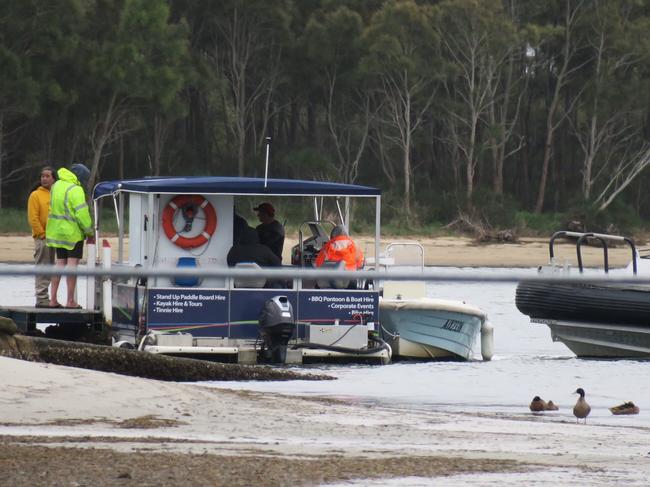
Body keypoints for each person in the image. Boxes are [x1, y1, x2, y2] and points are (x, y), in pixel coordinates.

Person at [46, 163, 94, 309]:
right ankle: (70, 301)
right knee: (72, 266)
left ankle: (52, 299)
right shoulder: (76, 189)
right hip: (72, 234)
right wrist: (89, 232)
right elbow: (82, 214)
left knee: (59, 264)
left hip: (56, 232)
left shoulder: (56, 185)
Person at [27, 166, 56, 307]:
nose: (44, 178)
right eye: (42, 176)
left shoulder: (55, 194)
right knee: (42, 267)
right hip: (42, 238)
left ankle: (50, 298)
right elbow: (33, 218)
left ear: (54, 179)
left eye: (47, 176)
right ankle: (41, 298)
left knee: (51, 268)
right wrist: (42, 234)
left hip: (55, 238)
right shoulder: (35, 195)